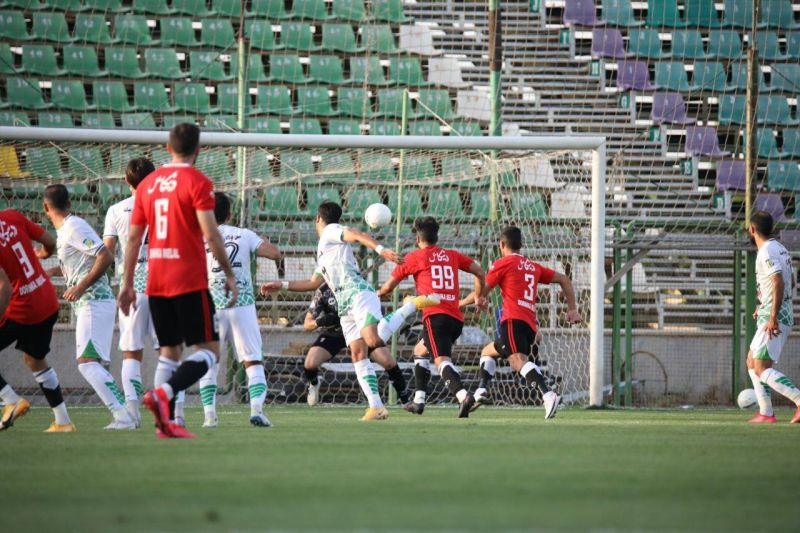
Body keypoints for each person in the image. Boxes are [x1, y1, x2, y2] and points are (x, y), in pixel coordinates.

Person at [261, 201, 436, 421]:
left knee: (373, 341)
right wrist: (282, 285)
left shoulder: (330, 231)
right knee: (358, 354)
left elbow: (357, 234)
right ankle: (376, 407)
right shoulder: (325, 251)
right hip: (345, 306)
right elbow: (313, 282)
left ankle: (409, 305)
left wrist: (381, 250)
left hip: (359, 294)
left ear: (318, 219)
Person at [119, 123, 238, 439]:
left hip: (155, 282)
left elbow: (133, 239)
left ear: (168, 148)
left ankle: (165, 424)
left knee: (169, 353)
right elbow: (211, 234)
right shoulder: (198, 182)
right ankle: (163, 394)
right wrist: (228, 273)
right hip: (189, 280)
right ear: (198, 150)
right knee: (210, 351)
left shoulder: (148, 185)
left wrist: (127, 284)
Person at [44, 185, 134, 430]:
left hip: (95, 301)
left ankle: (123, 416)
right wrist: (50, 273)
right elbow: (77, 266)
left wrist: (81, 286)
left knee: (87, 363)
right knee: (90, 363)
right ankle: (125, 414)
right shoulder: (65, 231)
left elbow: (105, 255)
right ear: (69, 203)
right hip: (90, 303)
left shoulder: (74, 226)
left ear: (45, 207)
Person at [377, 216, 487, 418]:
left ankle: (463, 396)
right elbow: (480, 272)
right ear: (437, 237)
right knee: (420, 350)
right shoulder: (453, 255)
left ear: (418, 238)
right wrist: (479, 296)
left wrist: (376, 294)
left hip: (436, 317)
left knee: (441, 360)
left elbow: (387, 288)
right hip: (456, 318)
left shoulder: (414, 257)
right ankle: (419, 401)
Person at [473, 226, 581, 419]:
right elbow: (564, 279)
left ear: (502, 244)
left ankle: (548, 394)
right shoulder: (532, 266)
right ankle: (481, 390)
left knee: (517, 361)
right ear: (520, 245)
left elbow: (485, 287)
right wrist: (572, 309)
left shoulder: (503, 263)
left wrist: (480, 297)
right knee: (488, 352)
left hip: (512, 321)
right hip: (530, 325)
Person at [199, 192, 281, 428]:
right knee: (253, 360)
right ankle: (257, 410)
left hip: (212, 303)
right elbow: (275, 253)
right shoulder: (244, 234)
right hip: (242, 302)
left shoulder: (200, 236)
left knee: (210, 361)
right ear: (230, 214)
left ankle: (209, 416)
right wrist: (260, 241)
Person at [0, 208, 74, 432]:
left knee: (35, 358)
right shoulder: (12, 216)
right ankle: (63, 422)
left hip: (22, 307)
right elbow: (50, 242)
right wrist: (42, 254)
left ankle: (11, 400)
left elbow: (4, 287)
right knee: (35, 359)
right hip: (46, 298)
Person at [102, 157, 157, 428]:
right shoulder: (165, 207)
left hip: (131, 285)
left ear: (126, 180)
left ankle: (132, 414)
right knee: (168, 352)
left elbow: (107, 252)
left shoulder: (115, 210)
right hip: (163, 284)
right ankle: (174, 413)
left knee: (131, 352)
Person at [303, 282, 413, 407]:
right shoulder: (323, 291)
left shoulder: (359, 285)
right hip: (334, 334)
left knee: (388, 362)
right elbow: (307, 324)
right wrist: (321, 321)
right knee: (310, 364)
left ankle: (406, 401)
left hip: (359, 332)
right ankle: (314, 384)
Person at [744, 211, 800, 424]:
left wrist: (773, 315)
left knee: (761, 367)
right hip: (773, 313)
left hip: (774, 317)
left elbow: (778, 281)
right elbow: (790, 281)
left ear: (752, 229)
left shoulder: (766, 251)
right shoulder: (780, 248)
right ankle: (766, 412)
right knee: (752, 361)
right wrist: (763, 306)